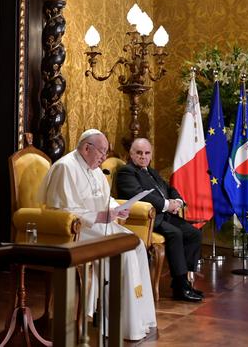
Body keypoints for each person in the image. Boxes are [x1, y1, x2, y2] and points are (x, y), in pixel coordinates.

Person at [37, 129, 157, 341]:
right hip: (74, 232)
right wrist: (102, 216)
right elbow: (62, 212)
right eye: (102, 151)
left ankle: (139, 319)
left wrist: (118, 210)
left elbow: (104, 199)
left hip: (97, 226)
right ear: (86, 148)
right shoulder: (66, 167)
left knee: (136, 244)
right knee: (123, 250)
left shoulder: (94, 169)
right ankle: (116, 323)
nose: (104, 157)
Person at [115, 138, 203, 302]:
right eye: (139, 153)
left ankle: (182, 282)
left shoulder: (151, 171)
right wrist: (167, 204)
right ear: (131, 154)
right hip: (146, 219)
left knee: (194, 234)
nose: (143, 157)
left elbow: (169, 188)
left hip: (165, 215)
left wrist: (178, 201)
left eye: (147, 153)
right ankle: (181, 285)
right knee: (175, 234)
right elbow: (139, 195)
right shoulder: (127, 172)